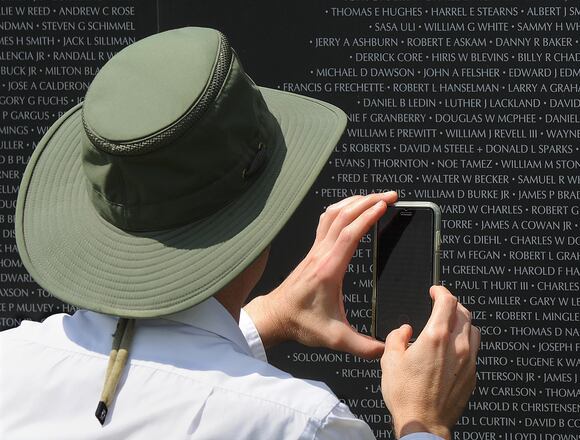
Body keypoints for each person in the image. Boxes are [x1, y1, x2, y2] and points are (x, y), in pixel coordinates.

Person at [0, 27, 479, 439]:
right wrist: (423, 421)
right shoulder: (302, 425)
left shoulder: (9, 364)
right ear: (259, 217)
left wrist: (267, 319)